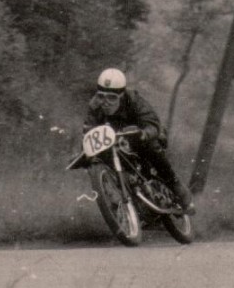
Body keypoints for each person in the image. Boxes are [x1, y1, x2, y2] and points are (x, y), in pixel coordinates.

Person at [83, 68, 195, 215]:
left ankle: (176, 186)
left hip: (141, 135)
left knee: (151, 147)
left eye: (111, 98)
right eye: (101, 96)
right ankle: (118, 201)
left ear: (121, 96)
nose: (105, 103)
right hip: (114, 142)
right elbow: (89, 132)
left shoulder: (134, 100)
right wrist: (85, 150)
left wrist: (143, 133)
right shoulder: (94, 106)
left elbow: (152, 123)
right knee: (100, 159)